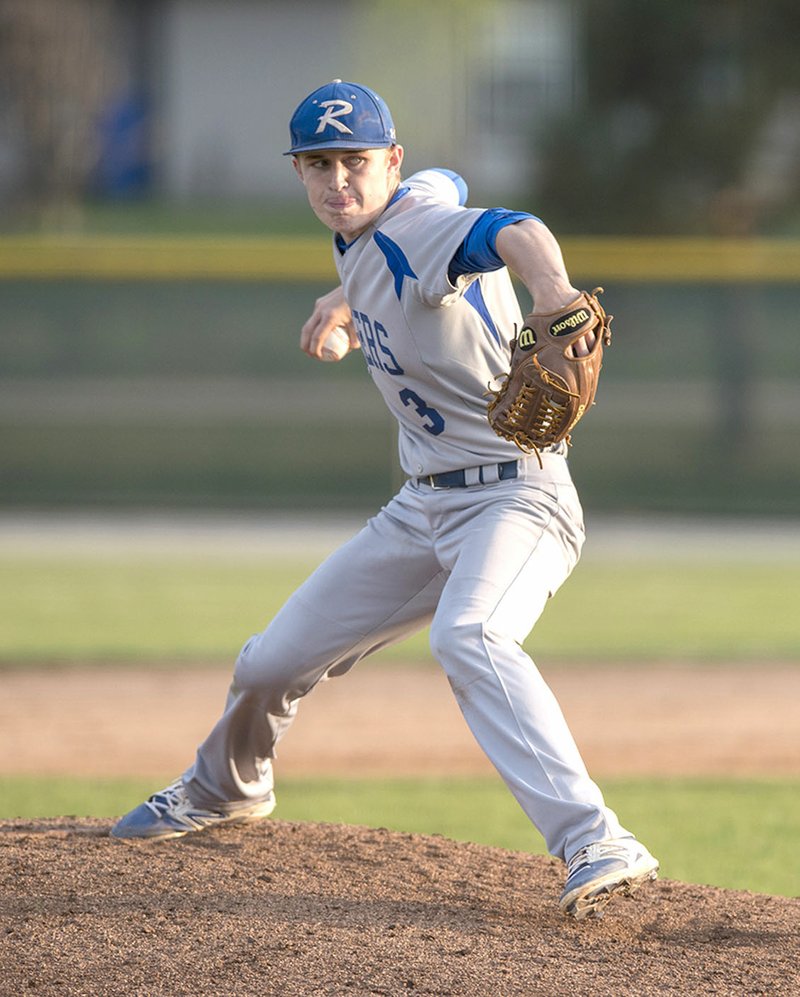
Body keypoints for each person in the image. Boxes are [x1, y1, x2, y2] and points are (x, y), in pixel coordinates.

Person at [112, 80, 658, 920]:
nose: (339, 180)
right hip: (421, 509)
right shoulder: (396, 206)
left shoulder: (418, 225)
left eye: (356, 162)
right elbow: (443, 185)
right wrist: (341, 299)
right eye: (319, 164)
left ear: (387, 162)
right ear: (300, 172)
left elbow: (515, 229)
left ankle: (597, 838)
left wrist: (551, 291)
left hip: (518, 500)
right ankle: (226, 788)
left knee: (471, 633)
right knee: (267, 662)